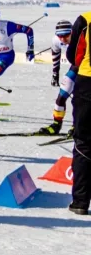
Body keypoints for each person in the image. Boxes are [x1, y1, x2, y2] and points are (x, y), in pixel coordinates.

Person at [65, 12, 91, 215]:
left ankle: (81, 201)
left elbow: (73, 56)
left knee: (83, 143)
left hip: (87, 85)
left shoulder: (85, 19)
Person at [38, 19, 75, 135]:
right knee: (61, 96)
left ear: (72, 32)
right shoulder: (56, 40)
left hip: (86, 69)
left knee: (79, 99)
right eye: (60, 36)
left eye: (66, 35)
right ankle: (56, 125)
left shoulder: (80, 38)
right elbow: (56, 53)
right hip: (76, 67)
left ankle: (78, 126)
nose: (63, 39)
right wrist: (55, 73)